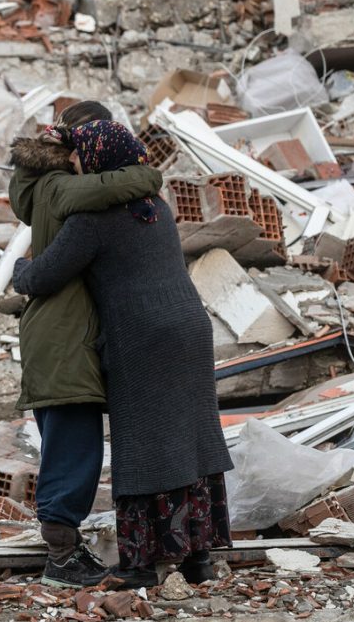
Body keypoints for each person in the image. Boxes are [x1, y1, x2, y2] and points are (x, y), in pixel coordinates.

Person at [12, 119, 233, 588]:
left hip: (142, 336)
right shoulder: (158, 206)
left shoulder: (94, 220)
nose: (72, 163)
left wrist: (19, 267)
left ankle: (138, 566)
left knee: (142, 447)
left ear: (96, 160)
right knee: (190, 439)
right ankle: (197, 559)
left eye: (77, 155)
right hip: (191, 328)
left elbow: (43, 277)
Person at [8, 103, 163, 588]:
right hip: (63, 341)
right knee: (73, 453)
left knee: (71, 448)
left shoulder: (39, 188)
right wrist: (148, 174)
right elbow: (113, 185)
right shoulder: (57, 188)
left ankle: (64, 551)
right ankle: (60, 559)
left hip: (61, 337)